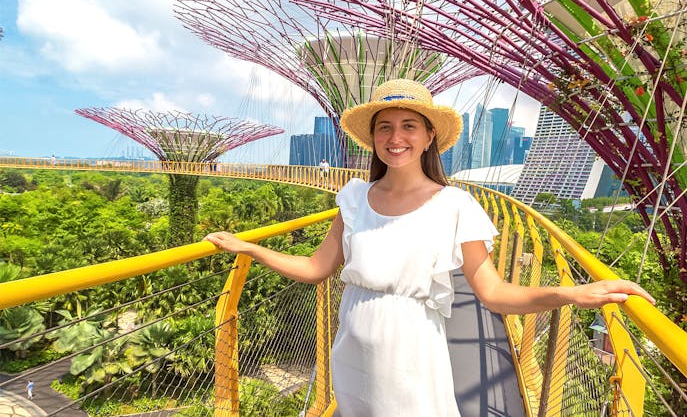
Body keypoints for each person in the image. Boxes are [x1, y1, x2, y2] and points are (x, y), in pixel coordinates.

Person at [205, 78, 655, 416]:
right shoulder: (355, 199)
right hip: (352, 349)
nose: (395, 137)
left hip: (412, 354)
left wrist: (571, 294)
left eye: (408, 126)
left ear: (428, 136)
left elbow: (494, 294)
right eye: (384, 127)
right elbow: (317, 267)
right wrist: (250, 248)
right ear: (373, 138)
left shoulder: (456, 205)